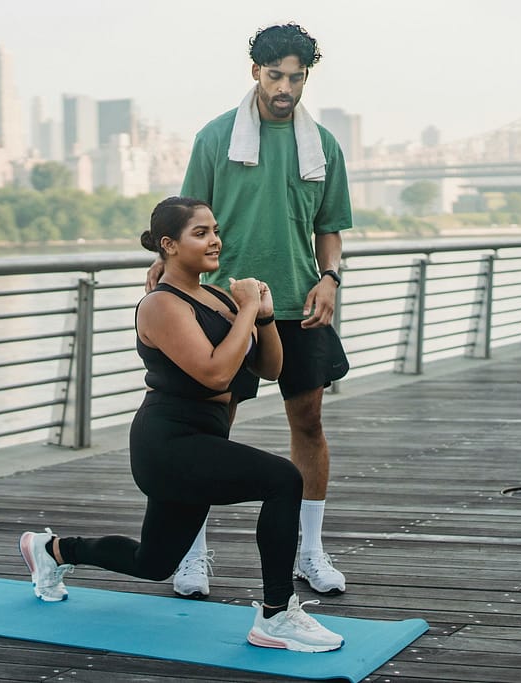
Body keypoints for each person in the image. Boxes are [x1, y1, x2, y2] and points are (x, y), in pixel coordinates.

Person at [18, 196, 344, 653]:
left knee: (153, 562)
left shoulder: (213, 296)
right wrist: (247, 310)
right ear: (168, 245)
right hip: (168, 444)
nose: (215, 241)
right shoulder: (160, 305)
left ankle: (51, 551)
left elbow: (269, 369)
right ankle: (275, 615)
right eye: (201, 233)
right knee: (283, 480)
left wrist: (265, 314)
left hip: (201, 439)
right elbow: (214, 372)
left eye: (214, 230)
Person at [146, 23, 352, 599]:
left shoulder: (324, 145)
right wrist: (167, 272)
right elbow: (184, 217)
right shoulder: (216, 138)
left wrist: (330, 278)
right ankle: (193, 554)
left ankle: (309, 552)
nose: (286, 87)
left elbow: (329, 228)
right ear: (255, 72)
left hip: (298, 305)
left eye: (297, 76)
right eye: (275, 75)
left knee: (308, 424)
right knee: (212, 432)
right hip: (223, 305)